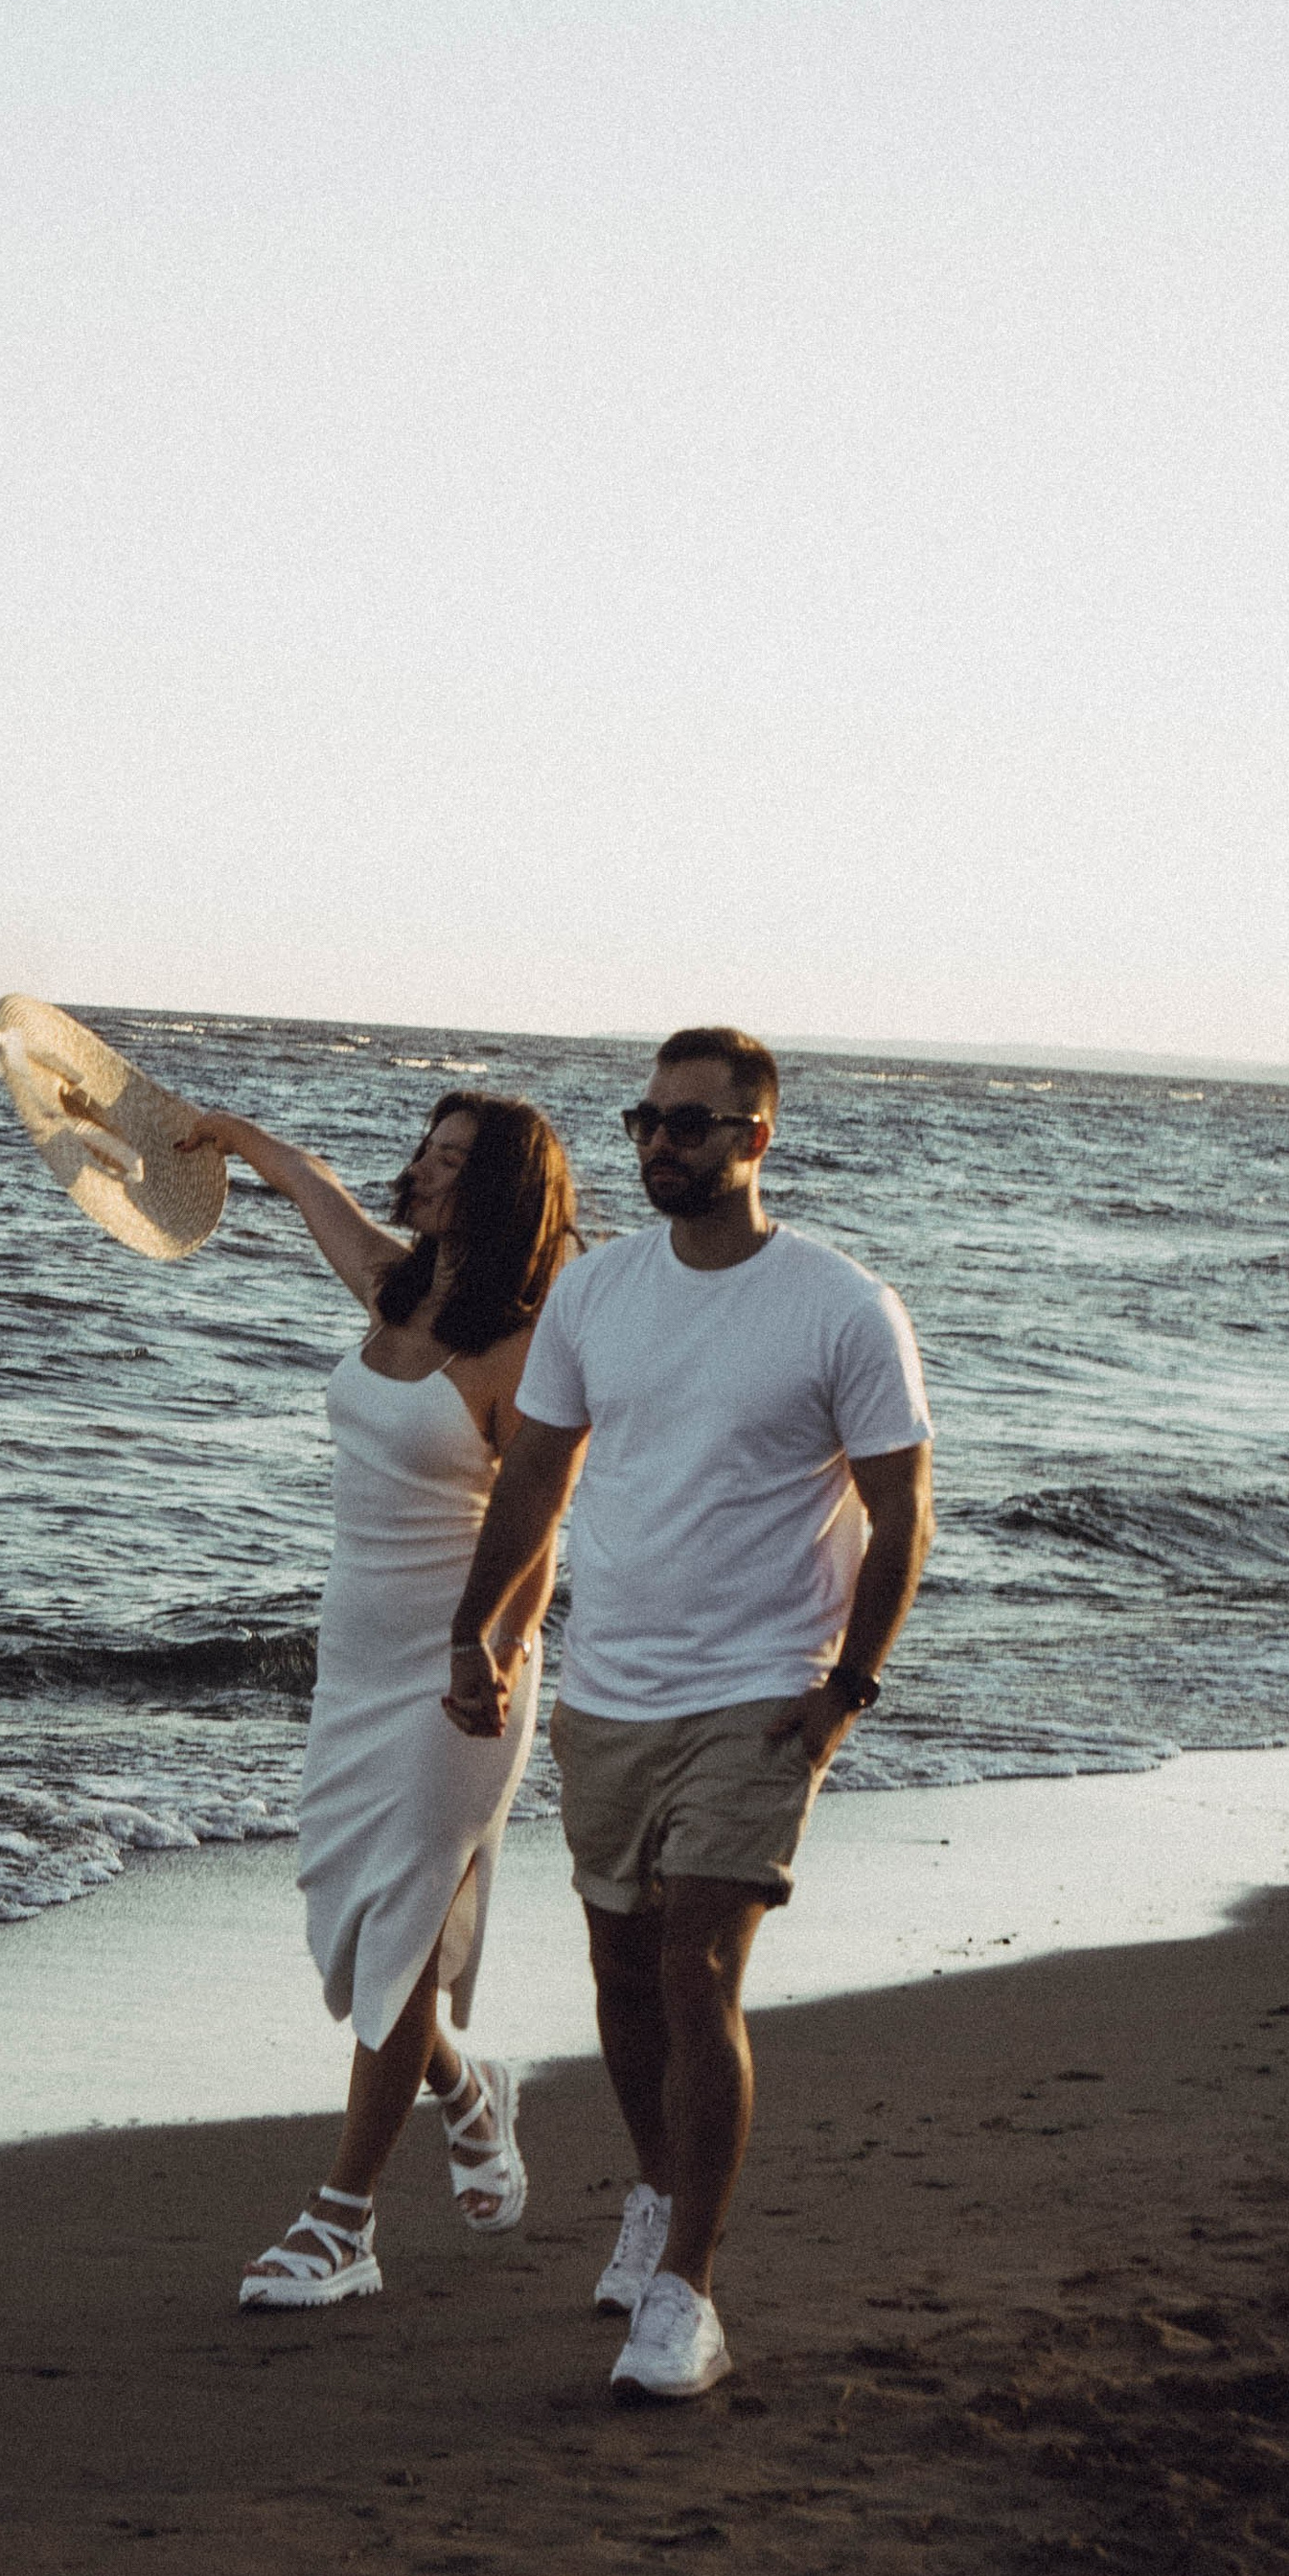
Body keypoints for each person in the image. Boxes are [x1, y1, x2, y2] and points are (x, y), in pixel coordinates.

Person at [442, 1025, 934, 2398]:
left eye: (690, 1124)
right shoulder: (597, 1293)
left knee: (696, 1969)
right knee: (620, 1971)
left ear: (754, 1139)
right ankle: (658, 2192)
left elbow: (902, 1511)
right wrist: (476, 1629)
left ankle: (686, 2296)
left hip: (762, 1695)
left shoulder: (841, 1306)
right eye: (646, 1120)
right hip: (611, 1688)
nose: (659, 1143)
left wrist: (846, 1690)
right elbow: (535, 1478)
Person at [171, 1090, 584, 2310]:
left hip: (461, 1675)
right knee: (351, 1939)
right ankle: (466, 2086)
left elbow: (538, 1523)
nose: (424, 1172)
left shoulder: (526, 1349)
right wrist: (228, 1136)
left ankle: (340, 2222)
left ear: (501, 1193)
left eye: (454, 1162)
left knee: (397, 1936)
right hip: (354, 1661)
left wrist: (493, 1647)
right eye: (426, 1150)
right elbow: (316, 1190)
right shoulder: (398, 1293)